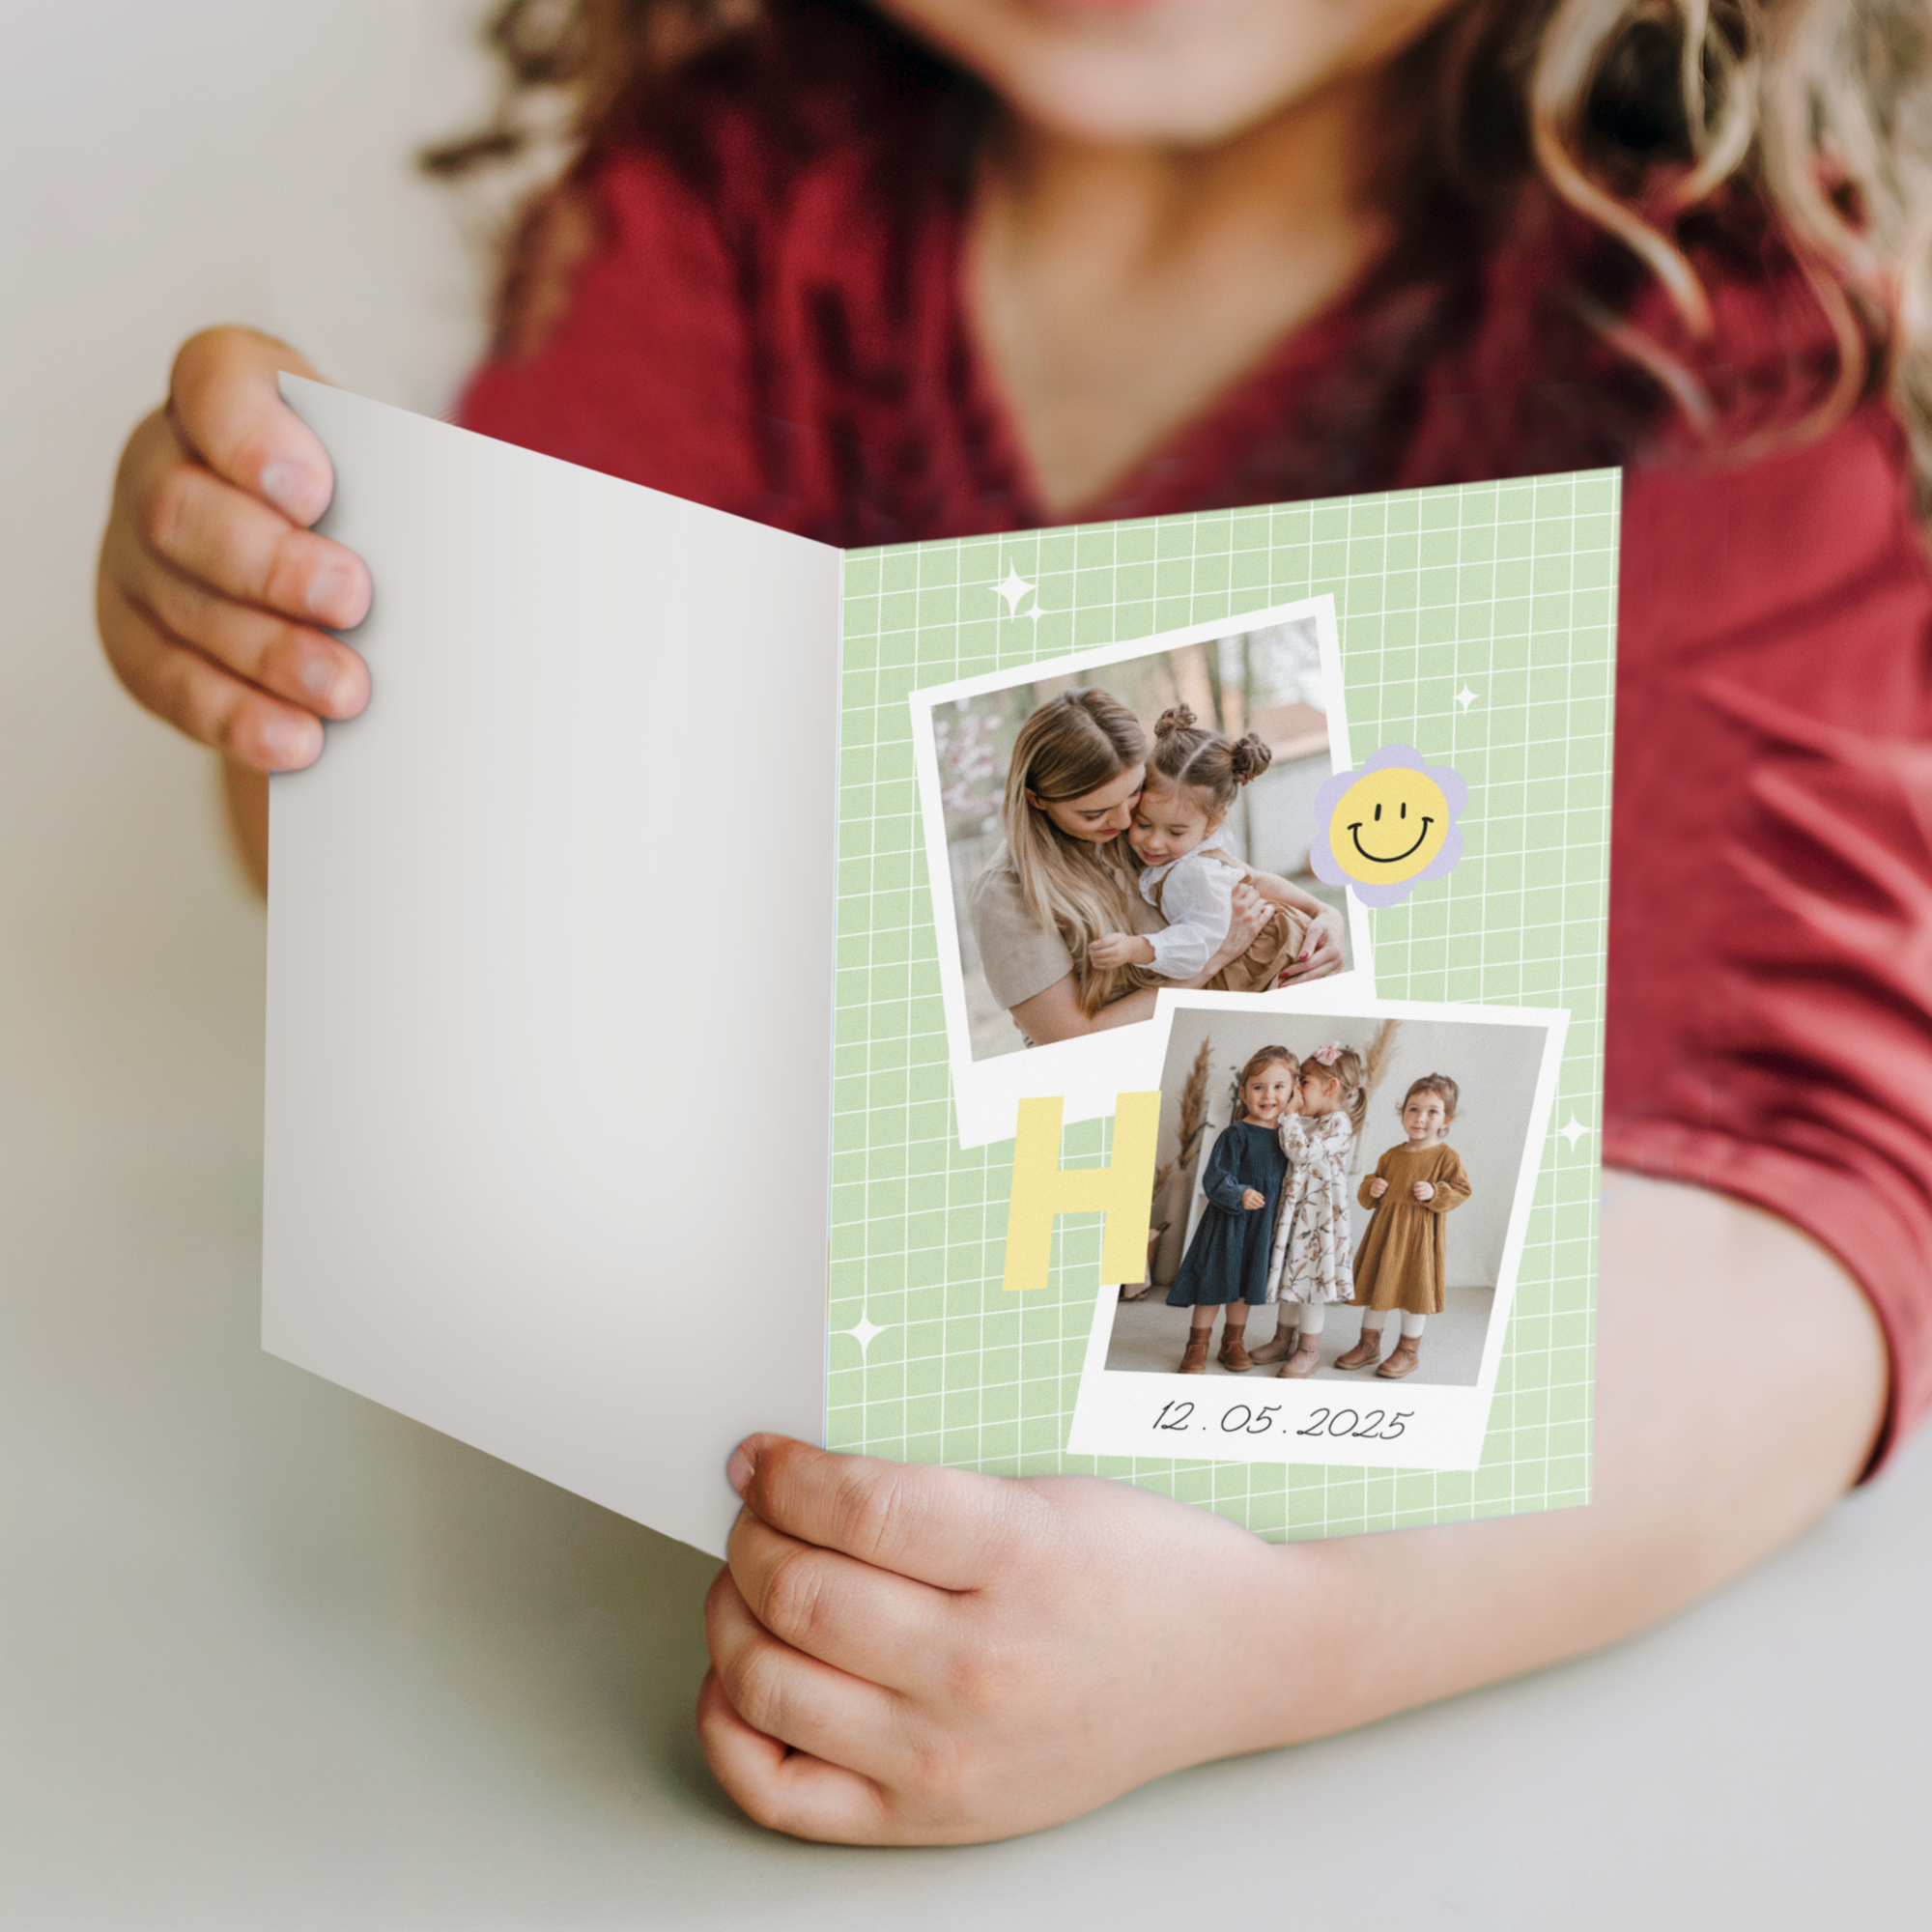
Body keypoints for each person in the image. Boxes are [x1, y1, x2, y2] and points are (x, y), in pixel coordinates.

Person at [93, 0, 1927, 1851]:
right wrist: (288, 650)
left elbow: (1813, 1225)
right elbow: (464, 890)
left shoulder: (1725, 328)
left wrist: (1282, 1645)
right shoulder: (750, 186)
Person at [966, 688, 1343, 1048]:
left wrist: (1326, 914)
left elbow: (1244, 877)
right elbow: (1073, 1039)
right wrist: (1215, 958)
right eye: (1093, 813)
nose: (1123, 821)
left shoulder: (1147, 827)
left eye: (1133, 794)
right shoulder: (1005, 892)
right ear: (1036, 799)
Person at [1089, 704, 1313, 991]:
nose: (1154, 842)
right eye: (1143, 824)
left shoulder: (1196, 872)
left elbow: (1199, 944)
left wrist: (1135, 948)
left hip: (1266, 963)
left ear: (1213, 824)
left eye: (1175, 831)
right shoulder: (1192, 851)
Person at [1163, 1045, 1299, 1374]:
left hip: (1260, 1227)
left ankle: (1232, 1343)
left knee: (1242, 1289)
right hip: (1227, 1224)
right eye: (1258, 1087)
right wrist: (1240, 1194)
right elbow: (1215, 1178)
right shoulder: (1236, 1134)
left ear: (1293, 1092)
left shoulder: (1288, 1138)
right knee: (1213, 1285)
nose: (1268, 1095)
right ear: (1244, 1093)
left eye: (1279, 1087)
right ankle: (1197, 1345)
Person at [1338, 1073, 1472, 1378]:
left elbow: (1462, 1189)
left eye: (1432, 1112)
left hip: (1418, 1239)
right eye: (1413, 1109)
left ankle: (1408, 1351)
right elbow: (1367, 1192)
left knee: (1414, 1293)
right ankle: (1368, 1344)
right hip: (1385, 1235)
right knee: (1378, 1287)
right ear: (1403, 1113)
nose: (1420, 1118)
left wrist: (1436, 1192)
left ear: (1446, 1120)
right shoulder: (1392, 1155)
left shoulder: (1446, 1157)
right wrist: (1371, 1188)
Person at [1250, 1042, 1367, 1376]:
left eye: (1304, 1082)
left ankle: (1308, 1349)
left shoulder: (1338, 1124)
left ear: (1330, 1088)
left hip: (1320, 1220)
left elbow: (1303, 1153)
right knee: (1293, 1277)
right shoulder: (1308, 1121)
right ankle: (1282, 1340)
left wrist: (1288, 1118)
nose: (1297, 1090)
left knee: (1311, 1285)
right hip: (1297, 1214)